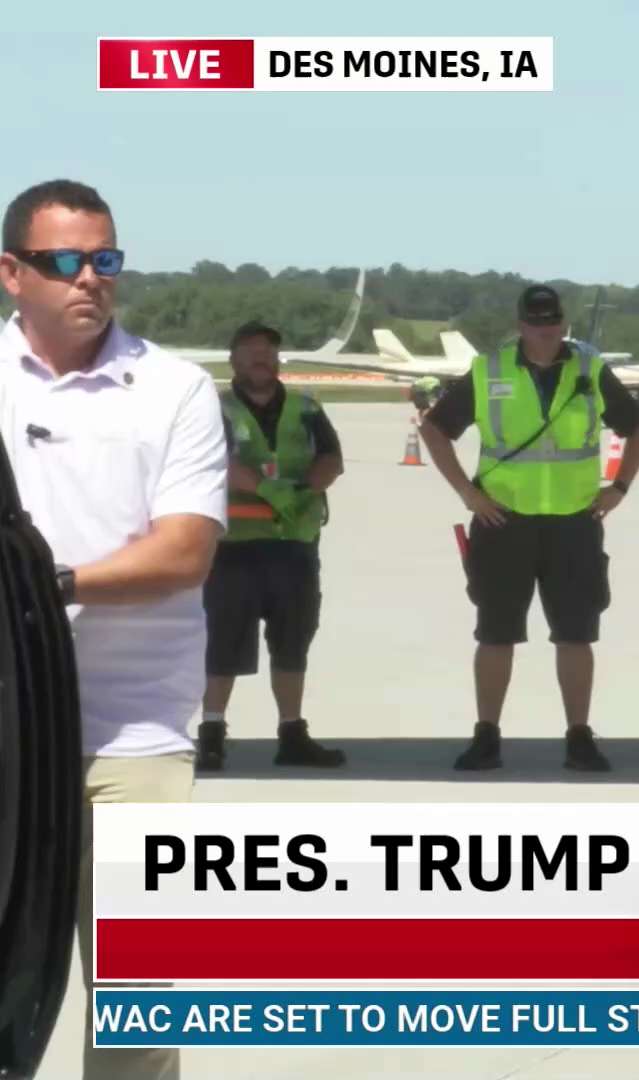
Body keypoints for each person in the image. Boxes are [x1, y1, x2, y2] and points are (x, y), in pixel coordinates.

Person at [0, 179, 226, 1078]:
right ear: (12, 273)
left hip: (133, 735)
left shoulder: (173, 389)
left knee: (142, 1001)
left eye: (106, 260)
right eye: (64, 261)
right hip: (9, 731)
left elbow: (182, 554)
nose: (88, 278)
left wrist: (38, 588)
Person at [419, 284, 639, 772]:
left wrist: (620, 487)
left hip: (575, 522)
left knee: (576, 634)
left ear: (563, 323)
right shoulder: (490, 369)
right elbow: (435, 429)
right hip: (503, 520)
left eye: (552, 322)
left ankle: (579, 737)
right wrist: (467, 492)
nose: (545, 331)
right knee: (496, 633)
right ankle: (486, 736)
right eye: (535, 322)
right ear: (521, 324)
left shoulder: (590, 369)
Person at [196, 319, 347, 772]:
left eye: (268, 351)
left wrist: (308, 489)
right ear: (233, 360)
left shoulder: (305, 408)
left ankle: (292, 734)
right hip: (233, 550)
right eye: (251, 351)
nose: (261, 359)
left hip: (294, 547)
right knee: (223, 647)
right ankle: (212, 734)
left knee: (292, 643)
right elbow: (216, 461)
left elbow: (331, 457)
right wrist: (268, 489)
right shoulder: (213, 409)